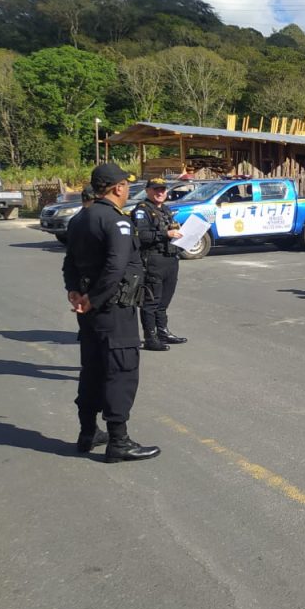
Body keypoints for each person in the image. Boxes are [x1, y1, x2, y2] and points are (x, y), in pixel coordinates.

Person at [62, 163, 160, 463]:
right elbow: (116, 266)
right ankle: (119, 441)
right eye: (126, 184)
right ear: (117, 188)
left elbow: (69, 263)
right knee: (120, 371)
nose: (128, 188)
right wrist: (93, 298)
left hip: (89, 310)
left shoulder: (80, 218)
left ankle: (88, 432)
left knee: (92, 368)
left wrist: (75, 292)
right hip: (113, 309)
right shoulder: (116, 221)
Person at [132, 177, 186, 352]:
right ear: (148, 191)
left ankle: (163, 332)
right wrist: (165, 234)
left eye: (163, 189)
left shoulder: (166, 209)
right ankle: (150, 337)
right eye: (156, 189)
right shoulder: (142, 210)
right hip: (153, 260)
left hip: (170, 258)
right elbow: (142, 236)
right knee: (151, 301)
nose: (160, 192)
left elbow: (173, 230)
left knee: (164, 301)